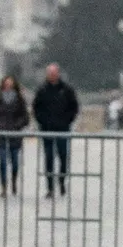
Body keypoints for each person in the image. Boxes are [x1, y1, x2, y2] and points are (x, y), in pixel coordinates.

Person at [32, 63, 79, 198]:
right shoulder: (42, 90)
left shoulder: (67, 90)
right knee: (49, 159)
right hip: (47, 129)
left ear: (58, 74)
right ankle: (50, 187)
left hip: (63, 129)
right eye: (50, 73)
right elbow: (36, 108)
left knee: (63, 157)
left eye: (54, 73)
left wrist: (67, 120)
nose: (52, 76)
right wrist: (42, 122)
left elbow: (74, 107)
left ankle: (62, 181)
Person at [0, 75, 30, 197]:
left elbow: (26, 117)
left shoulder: (20, 99)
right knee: (2, 162)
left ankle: (14, 180)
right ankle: (4, 186)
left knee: (15, 162)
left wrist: (18, 125)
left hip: (15, 135)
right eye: (6, 83)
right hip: (0, 134)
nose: (8, 85)